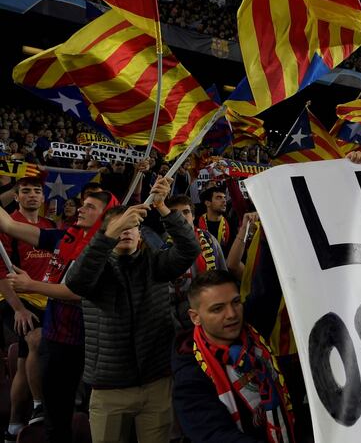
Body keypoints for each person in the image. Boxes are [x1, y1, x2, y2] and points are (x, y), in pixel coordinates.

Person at [63, 177, 199, 443]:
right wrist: (108, 234)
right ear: (105, 233)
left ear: (141, 234)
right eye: (119, 227)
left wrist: (162, 208)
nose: (126, 231)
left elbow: (189, 249)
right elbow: (76, 281)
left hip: (156, 383)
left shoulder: (155, 264)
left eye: (132, 226)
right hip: (108, 389)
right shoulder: (93, 267)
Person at [3, 190, 119, 442]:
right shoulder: (64, 236)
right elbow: (9, 224)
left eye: (89, 207)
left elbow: (79, 293)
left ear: (106, 216)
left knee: (95, 413)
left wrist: (31, 285)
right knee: (56, 413)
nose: (81, 209)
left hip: (94, 343)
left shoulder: (112, 248)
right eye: (82, 205)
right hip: (58, 338)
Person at [172, 270, 295, 443]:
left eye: (236, 302)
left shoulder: (252, 328)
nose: (231, 314)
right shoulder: (190, 376)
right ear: (195, 317)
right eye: (217, 309)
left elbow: (268, 287)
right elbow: (215, 435)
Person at [0, 178, 55, 442]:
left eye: (36, 191)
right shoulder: (6, 227)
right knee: (36, 339)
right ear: (17, 196)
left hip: (44, 298)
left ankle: (12, 428)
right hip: (13, 299)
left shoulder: (49, 227)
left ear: (43, 198)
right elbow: (1, 275)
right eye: (25, 191)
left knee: (23, 365)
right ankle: (39, 405)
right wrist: (19, 309)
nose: (32, 195)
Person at [165, 194, 227, 330]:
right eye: (175, 214)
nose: (181, 217)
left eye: (186, 212)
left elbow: (223, 274)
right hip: (180, 323)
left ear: (193, 216)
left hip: (214, 315)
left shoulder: (210, 240)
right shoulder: (163, 248)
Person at [199, 186, 232, 254]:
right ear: (208, 203)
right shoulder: (196, 224)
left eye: (224, 197)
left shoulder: (231, 224)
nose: (224, 200)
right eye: (219, 198)